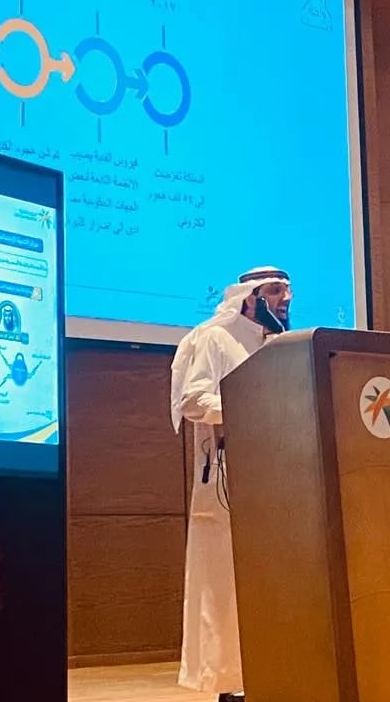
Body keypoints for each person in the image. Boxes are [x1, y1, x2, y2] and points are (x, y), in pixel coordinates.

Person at [169, 266, 293, 702]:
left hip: (281, 479)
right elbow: (193, 401)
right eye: (275, 291)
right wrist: (250, 403)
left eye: (287, 291)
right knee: (227, 585)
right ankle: (231, 683)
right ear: (250, 297)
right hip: (227, 480)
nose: (286, 299)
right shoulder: (215, 338)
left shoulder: (282, 346)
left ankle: (277, 673)